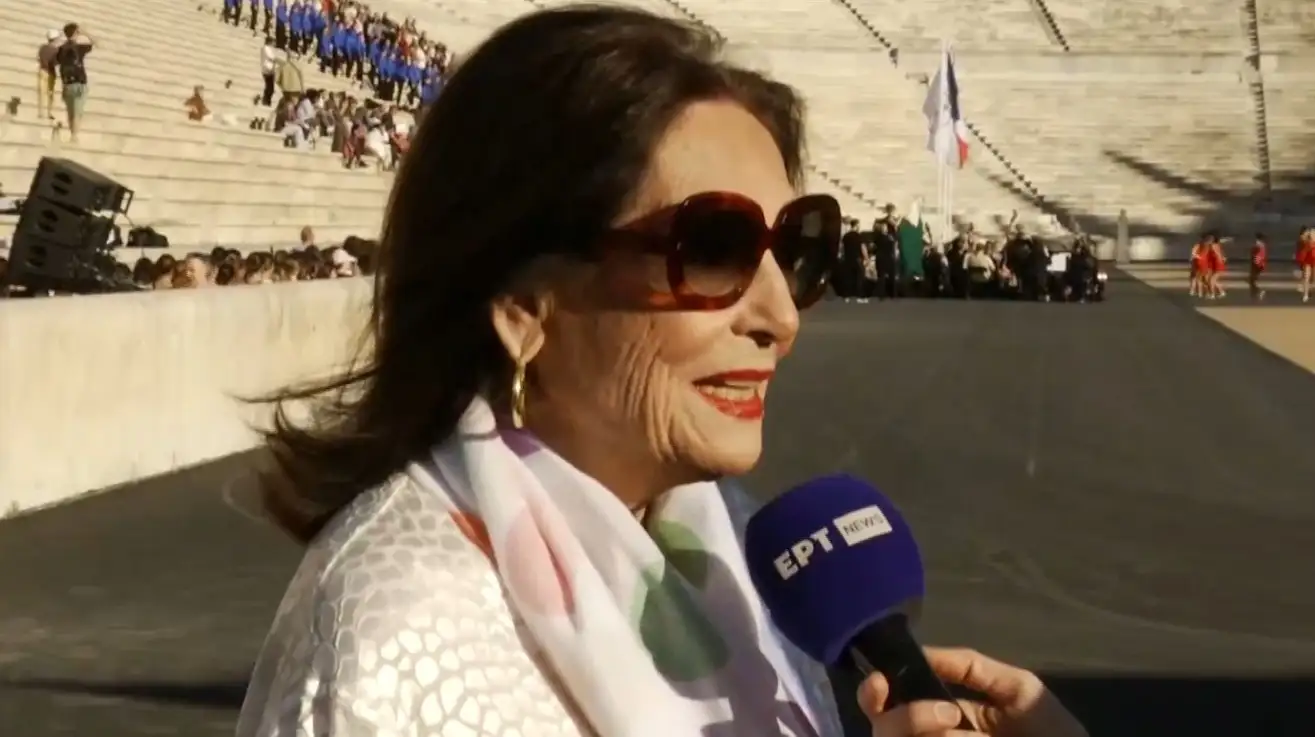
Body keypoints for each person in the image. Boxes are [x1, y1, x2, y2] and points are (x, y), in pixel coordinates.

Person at [235, 7, 1087, 737]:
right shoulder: (390, 633)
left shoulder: (731, 554)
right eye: (713, 248)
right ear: (524, 308)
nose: (781, 316)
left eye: (796, 247)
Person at [55, 23, 94, 143]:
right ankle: (74, 136)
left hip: (67, 84)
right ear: (76, 33)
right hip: (79, 84)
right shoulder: (79, 48)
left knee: (70, 112)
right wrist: (86, 33)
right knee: (77, 112)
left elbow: (57, 61)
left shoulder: (61, 49)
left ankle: (73, 133)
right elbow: (97, 43)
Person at [37, 29, 61, 121]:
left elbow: (39, 58)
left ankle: (41, 112)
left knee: (41, 92)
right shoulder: (56, 50)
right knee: (50, 93)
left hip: (42, 70)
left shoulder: (42, 47)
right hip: (51, 72)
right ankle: (50, 112)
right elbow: (56, 62)